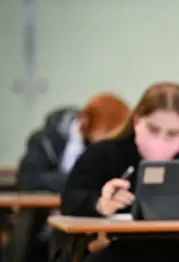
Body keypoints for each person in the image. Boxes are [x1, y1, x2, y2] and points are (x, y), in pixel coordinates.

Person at [60, 82, 179, 262]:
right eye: (153, 129)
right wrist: (100, 204)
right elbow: (70, 199)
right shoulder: (103, 153)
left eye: (172, 134)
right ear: (137, 121)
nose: (161, 140)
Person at [15, 93, 129, 262]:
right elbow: (28, 178)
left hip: (83, 227)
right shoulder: (45, 140)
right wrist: (73, 183)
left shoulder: (106, 150)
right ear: (86, 122)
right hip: (39, 225)